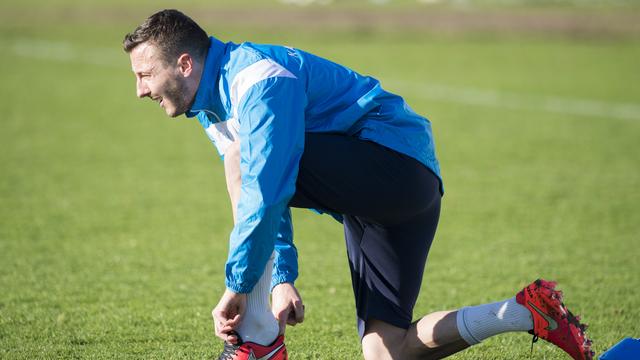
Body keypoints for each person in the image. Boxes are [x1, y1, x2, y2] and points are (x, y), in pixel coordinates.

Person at [123, 9, 594, 360]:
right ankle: (526, 312)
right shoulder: (214, 108)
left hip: (395, 166)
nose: (140, 90)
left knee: (245, 161)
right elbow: (267, 188)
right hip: (393, 198)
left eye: (145, 75)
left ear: (184, 63)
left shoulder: (256, 81)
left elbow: (265, 191)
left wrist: (239, 288)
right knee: (387, 351)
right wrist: (282, 278)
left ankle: (259, 341)